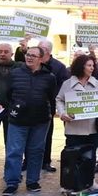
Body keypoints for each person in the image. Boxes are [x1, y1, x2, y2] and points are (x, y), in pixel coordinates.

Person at [0, 46, 56, 195]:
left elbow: (52, 98)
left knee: (36, 151)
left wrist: (50, 114)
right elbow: (7, 95)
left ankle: (32, 181)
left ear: (41, 58)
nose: (29, 57)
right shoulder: (15, 74)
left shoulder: (49, 77)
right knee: (14, 152)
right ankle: (12, 183)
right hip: (18, 121)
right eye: (27, 54)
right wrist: (15, 107)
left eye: (33, 55)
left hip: (40, 121)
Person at [55, 54, 98, 189]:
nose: (92, 68)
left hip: (92, 128)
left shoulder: (97, 83)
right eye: (89, 65)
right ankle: (69, 183)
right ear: (81, 66)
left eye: (93, 65)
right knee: (72, 156)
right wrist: (62, 113)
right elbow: (59, 99)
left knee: (90, 157)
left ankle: (89, 181)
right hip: (74, 127)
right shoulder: (68, 83)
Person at [37, 40, 68, 172]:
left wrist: (54, 98)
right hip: (32, 104)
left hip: (49, 104)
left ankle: (46, 161)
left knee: (47, 134)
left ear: (48, 51)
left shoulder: (59, 66)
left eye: (41, 48)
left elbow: (62, 85)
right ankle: (28, 161)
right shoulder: (34, 62)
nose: (39, 50)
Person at [0, 44, 22, 162]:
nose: (2, 54)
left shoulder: (20, 67)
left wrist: (24, 49)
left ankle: (11, 170)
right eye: (0, 51)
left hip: (12, 110)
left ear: (12, 54)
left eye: (6, 51)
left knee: (11, 142)